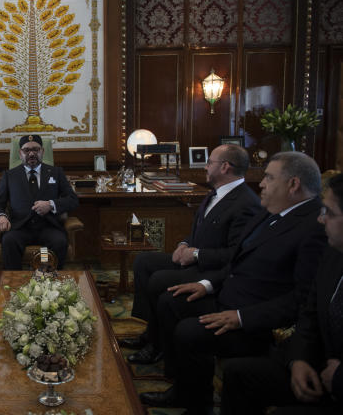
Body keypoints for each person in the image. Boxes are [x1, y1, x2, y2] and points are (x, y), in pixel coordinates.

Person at [139, 151, 328, 413]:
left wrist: (240, 317)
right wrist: (206, 284)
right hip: (228, 294)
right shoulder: (270, 212)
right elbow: (235, 262)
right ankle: (184, 389)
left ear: (293, 184)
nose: (261, 183)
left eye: (269, 178)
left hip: (256, 319)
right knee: (171, 301)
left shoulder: (314, 227)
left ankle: (196, 405)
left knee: (188, 331)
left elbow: (303, 299)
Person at [124, 144, 262, 364]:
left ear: (225, 167)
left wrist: (196, 254)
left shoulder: (246, 204)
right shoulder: (216, 192)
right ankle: (152, 333)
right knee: (144, 261)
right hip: (193, 259)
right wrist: (183, 244)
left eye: (210, 163)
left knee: (159, 280)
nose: (205, 167)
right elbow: (199, 230)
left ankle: (158, 346)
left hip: (211, 270)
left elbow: (235, 256)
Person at [220, 173, 343, 415]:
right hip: (314, 364)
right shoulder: (333, 254)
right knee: (238, 374)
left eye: (329, 212)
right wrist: (298, 359)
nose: (321, 219)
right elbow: (310, 315)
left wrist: (338, 377)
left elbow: (295, 302)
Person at [0, 134, 79, 269]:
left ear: (42, 151)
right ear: (20, 153)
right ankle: (14, 281)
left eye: (36, 150)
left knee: (59, 242)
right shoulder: (10, 175)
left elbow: (73, 200)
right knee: (9, 241)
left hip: (48, 227)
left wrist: (51, 204)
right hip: (20, 228)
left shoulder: (56, 173)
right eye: (26, 150)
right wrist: (1, 217)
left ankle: (46, 278)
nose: (31, 154)